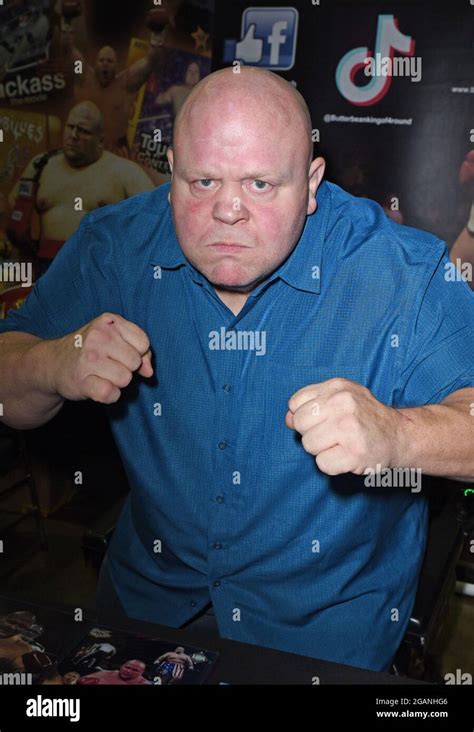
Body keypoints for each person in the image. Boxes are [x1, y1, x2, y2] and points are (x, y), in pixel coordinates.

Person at [1, 67, 474, 672]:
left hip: (323, 634)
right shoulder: (113, 247)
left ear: (310, 183)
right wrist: (51, 361)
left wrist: (398, 435)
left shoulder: (401, 272)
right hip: (146, 609)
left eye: (259, 183)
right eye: (201, 181)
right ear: (170, 171)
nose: (228, 211)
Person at [8, 101, 154, 273]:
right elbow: (13, 209)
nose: (74, 135)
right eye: (70, 127)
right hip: (46, 269)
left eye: (83, 131)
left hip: (100, 271)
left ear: (100, 140)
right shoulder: (41, 165)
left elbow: (158, 214)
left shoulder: (124, 171)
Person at [77, 659, 151, 685]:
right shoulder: (105, 674)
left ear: (141, 672)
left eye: (135, 670)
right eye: (127, 667)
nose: (128, 671)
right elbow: (80, 681)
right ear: (121, 666)